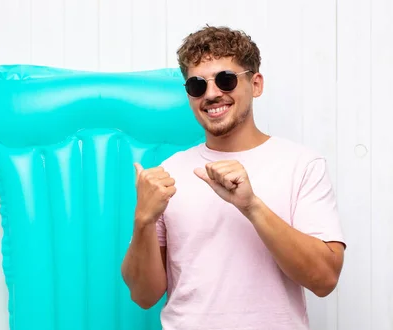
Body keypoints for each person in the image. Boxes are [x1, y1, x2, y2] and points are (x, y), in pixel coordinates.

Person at [121, 25, 346, 330]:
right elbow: (143, 295)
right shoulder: (169, 173)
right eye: (197, 86)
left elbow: (324, 279)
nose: (212, 94)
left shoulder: (302, 165)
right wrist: (143, 219)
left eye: (225, 80)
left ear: (256, 84)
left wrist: (251, 206)